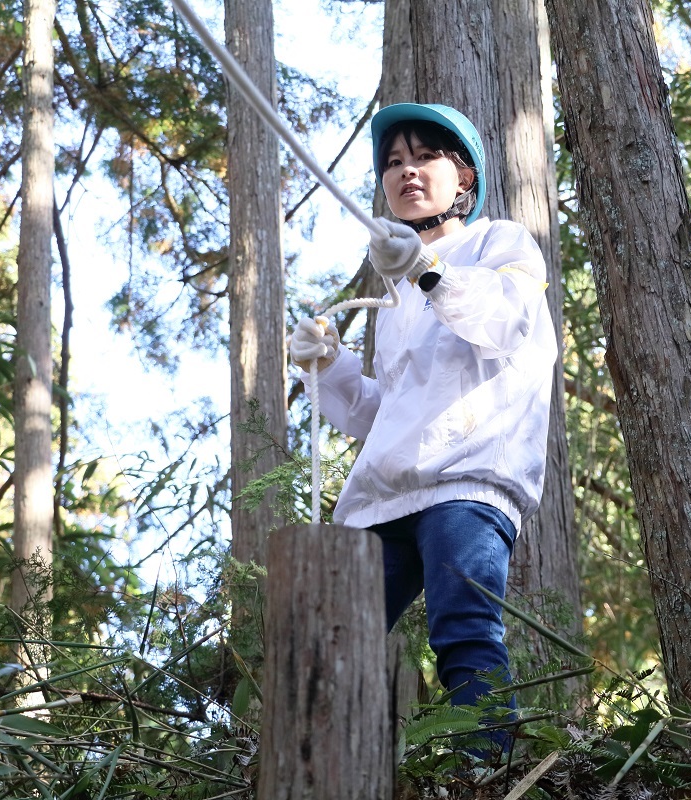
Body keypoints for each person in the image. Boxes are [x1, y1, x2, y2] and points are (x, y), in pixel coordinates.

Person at [289, 103, 557, 756]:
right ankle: (323, 778)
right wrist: (327, 365)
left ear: (464, 177)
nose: (405, 170)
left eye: (424, 156)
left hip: (469, 478)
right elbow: (384, 414)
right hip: (387, 492)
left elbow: (503, 323)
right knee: (332, 639)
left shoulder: (502, 244)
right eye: (392, 162)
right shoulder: (398, 299)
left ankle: (484, 778)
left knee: (464, 629)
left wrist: (425, 270)